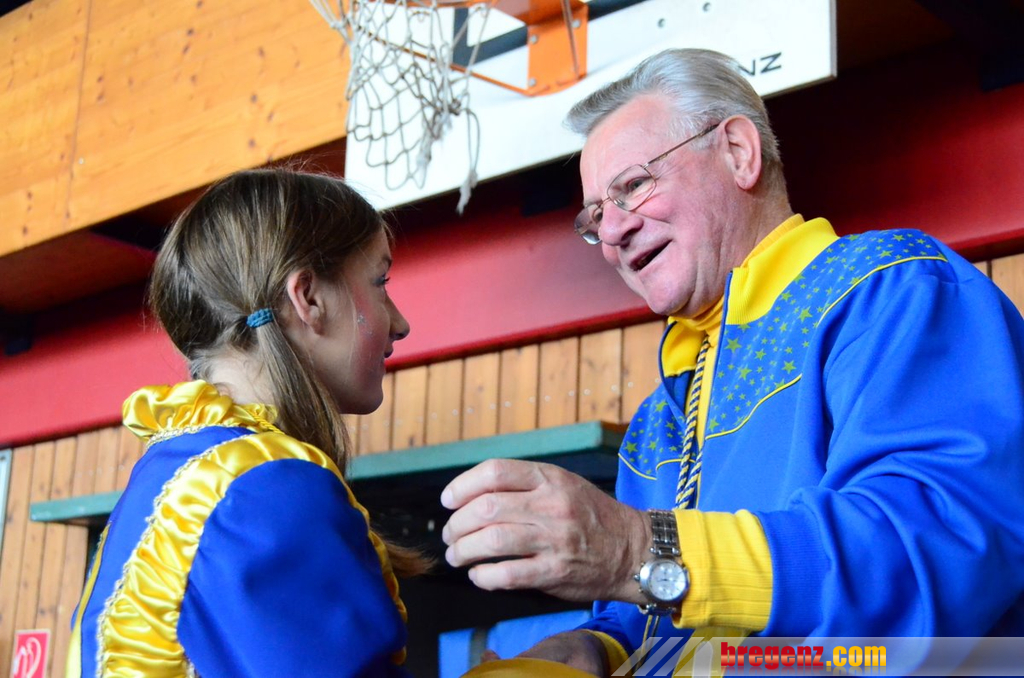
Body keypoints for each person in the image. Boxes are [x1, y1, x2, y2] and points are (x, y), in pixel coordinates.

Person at [440, 48, 1024, 676]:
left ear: (740, 153)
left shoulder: (895, 291)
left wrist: (637, 547)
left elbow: (935, 556)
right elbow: (659, 610)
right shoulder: (658, 421)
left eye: (632, 186)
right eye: (596, 216)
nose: (612, 233)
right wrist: (593, 650)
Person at [65, 168, 424, 677]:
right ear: (309, 298)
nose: (400, 322)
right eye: (380, 282)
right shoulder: (265, 486)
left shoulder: (172, 472)